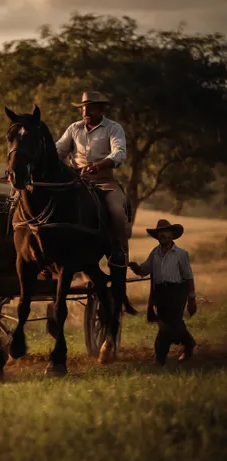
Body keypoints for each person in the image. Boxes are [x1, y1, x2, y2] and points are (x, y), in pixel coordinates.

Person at [55, 91, 130, 267]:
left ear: (101, 109)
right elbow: (58, 150)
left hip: (103, 180)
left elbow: (120, 152)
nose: (85, 112)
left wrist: (100, 165)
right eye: (83, 109)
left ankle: (119, 250)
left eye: (90, 108)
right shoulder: (74, 128)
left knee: (118, 212)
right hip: (74, 181)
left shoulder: (114, 128)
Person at [129, 219, 197, 365]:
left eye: (166, 232)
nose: (163, 235)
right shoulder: (155, 253)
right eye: (160, 233)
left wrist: (192, 298)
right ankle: (188, 342)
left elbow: (189, 277)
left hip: (177, 291)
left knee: (167, 324)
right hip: (160, 293)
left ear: (172, 235)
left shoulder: (181, 254)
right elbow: (144, 270)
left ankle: (160, 358)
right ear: (157, 236)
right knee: (168, 323)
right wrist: (135, 267)